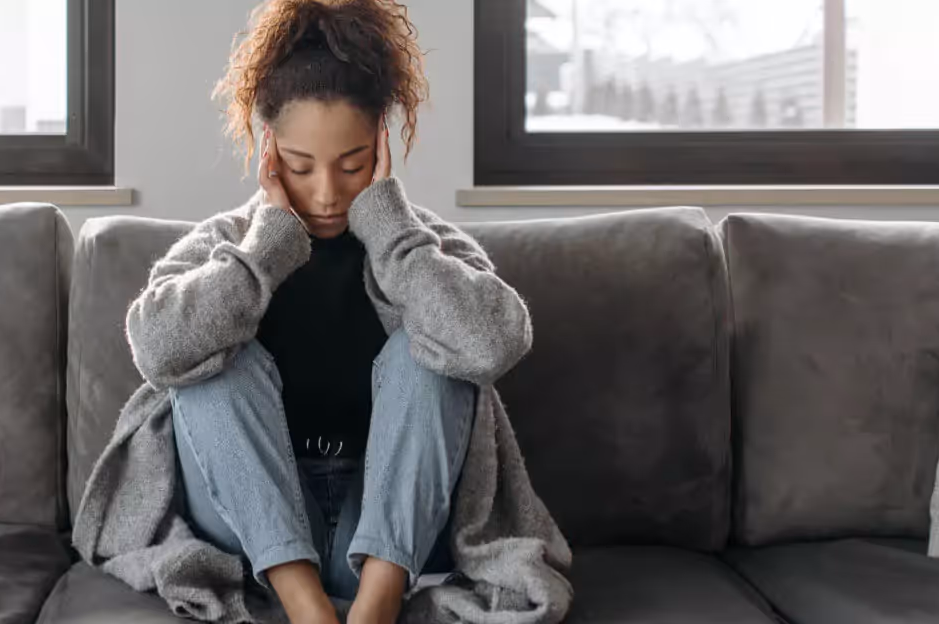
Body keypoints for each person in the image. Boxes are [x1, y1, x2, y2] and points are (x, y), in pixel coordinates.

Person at [72, 1, 572, 623]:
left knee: (432, 355)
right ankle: (307, 608)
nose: (328, 193)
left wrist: (391, 233)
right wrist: (263, 252)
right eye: (302, 167)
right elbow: (158, 349)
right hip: (253, 533)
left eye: (353, 165)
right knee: (211, 363)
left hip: (394, 529)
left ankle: (376, 605)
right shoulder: (224, 246)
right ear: (268, 150)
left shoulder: (424, 247)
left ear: (382, 146)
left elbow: (494, 344)